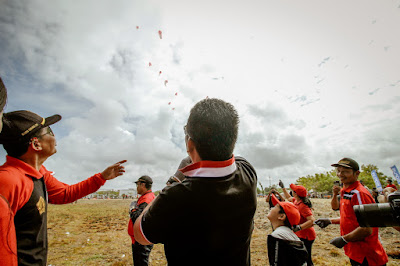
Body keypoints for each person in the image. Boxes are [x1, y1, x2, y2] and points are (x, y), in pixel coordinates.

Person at [133, 98, 258, 265]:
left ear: (189, 144)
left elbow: (140, 234)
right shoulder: (248, 172)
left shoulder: (175, 196)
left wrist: (175, 179)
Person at [0, 110, 127, 266]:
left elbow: (64, 193)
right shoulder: (7, 181)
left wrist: (101, 178)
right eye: (50, 131)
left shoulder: (39, 172)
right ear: (36, 144)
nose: (54, 137)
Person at [315, 158, 388, 266]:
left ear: (357, 173)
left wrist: (343, 239)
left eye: (345, 171)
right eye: (338, 171)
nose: (340, 174)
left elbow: (367, 229)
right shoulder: (346, 191)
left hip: (366, 255)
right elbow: (350, 218)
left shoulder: (359, 194)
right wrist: (330, 221)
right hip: (355, 252)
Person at [279, 181, 316, 266]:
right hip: (301, 234)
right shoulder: (297, 200)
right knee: (300, 257)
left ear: (296, 194)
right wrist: (283, 188)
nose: (292, 191)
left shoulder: (303, 206)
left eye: (293, 190)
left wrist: (299, 227)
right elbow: (289, 198)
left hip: (306, 236)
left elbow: (312, 220)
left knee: (306, 258)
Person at [267, 193, 308, 266]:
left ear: (281, 216)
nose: (271, 208)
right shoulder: (287, 233)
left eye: (275, 207)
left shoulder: (278, 236)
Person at [127, 176, 155, 265]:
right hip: (142, 237)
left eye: (137, 185)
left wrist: (132, 209)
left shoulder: (146, 199)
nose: (137, 187)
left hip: (141, 239)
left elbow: (138, 218)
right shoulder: (147, 196)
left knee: (140, 262)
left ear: (142, 185)